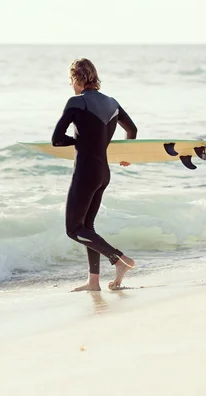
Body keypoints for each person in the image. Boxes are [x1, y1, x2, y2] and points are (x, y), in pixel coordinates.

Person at [51, 58, 138, 291]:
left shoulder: (75, 102)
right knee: (87, 226)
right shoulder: (112, 103)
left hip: (86, 172)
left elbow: (57, 139)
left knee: (73, 230)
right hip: (103, 173)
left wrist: (79, 141)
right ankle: (93, 282)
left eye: (71, 81)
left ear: (77, 79)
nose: (71, 86)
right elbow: (132, 130)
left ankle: (119, 259)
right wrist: (125, 152)